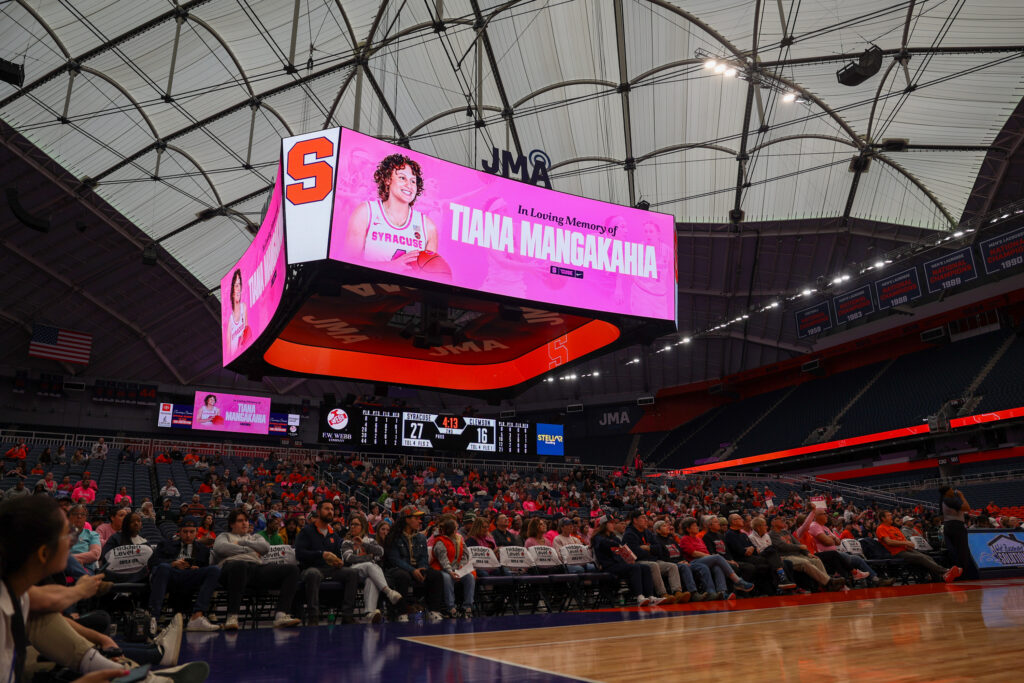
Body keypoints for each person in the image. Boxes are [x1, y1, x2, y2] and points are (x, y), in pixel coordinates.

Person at [211, 508, 301, 630]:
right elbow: (220, 548)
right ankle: (232, 616)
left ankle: (281, 615)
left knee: (292, 570)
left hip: (255, 568)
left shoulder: (255, 537)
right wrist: (250, 550)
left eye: (246, 520)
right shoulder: (224, 536)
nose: (244, 523)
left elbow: (265, 548)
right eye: (240, 521)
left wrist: (243, 543)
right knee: (240, 565)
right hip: (231, 569)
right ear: (232, 524)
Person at [345, 153, 439, 265]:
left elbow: (430, 272)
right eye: (402, 178)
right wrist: (390, 267)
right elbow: (349, 263)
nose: (409, 185)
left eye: (413, 181)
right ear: (388, 180)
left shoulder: (428, 226)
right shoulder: (365, 212)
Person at [148, 517, 221, 634]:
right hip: (171, 575)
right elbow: (152, 563)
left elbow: (204, 567)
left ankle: (197, 616)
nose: (188, 535)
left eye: (191, 532)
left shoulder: (203, 550)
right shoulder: (166, 544)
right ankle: (153, 617)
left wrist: (197, 568)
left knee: (214, 570)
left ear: (196, 532)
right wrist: (173, 563)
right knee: (163, 567)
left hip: (189, 576)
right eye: (185, 532)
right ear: (179, 532)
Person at [294, 500, 361, 625]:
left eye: (332, 509)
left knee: (352, 573)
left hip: (330, 569)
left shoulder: (333, 534)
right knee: (313, 574)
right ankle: (313, 618)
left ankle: (347, 615)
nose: (330, 511)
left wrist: (339, 562)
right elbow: (299, 554)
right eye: (326, 509)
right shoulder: (306, 531)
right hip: (311, 568)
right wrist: (321, 554)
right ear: (318, 512)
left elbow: (338, 555)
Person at [383, 506, 446, 622]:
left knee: (436, 575)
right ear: (407, 519)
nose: (420, 521)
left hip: (416, 569)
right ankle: (401, 612)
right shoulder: (393, 537)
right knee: (403, 576)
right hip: (397, 569)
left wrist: (423, 568)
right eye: (416, 518)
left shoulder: (421, 537)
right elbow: (395, 559)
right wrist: (412, 570)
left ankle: (433, 610)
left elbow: (423, 557)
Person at [340, 516, 403, 623]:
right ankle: (388, 592)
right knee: (370, 565)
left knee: (371, 579)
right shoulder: (347, 542)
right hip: (354, 570)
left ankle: (369, 613)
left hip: (370, 572)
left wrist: (363, 544)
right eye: (351, 524)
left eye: (356, 524)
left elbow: (381, 552)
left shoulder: (370, 540)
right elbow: (349, 558)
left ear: (363, 526)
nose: (352, 526)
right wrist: (369, 557)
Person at [876, 510, 961, 583]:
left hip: (906, 549)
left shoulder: (895, 528)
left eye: (891, 515)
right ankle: (945, 571)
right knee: (921, 558)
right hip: (896, 552)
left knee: (928, 557)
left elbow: (905, 541)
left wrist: (909, 544)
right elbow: (889, 542)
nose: (891, 516)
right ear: (883, 518)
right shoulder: (881, 528)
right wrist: (906, 543)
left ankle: (940, 578)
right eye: (888, 516)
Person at [677, 517, 752, 598]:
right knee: (716, 557)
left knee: (717, 567)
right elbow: (694, 553)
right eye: (694, 526)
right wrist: (710, 557)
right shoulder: (685, 539)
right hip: (693, 562)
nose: (697, 527)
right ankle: (737, 580)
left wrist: (711, 557)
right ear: (688, 529)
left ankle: (721, 592)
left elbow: (706, 552)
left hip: (704, 560)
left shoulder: (699, 539)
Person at [590, 516, 656, 606]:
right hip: (608, 566)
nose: (613, 525)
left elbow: (622, 551)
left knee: (645, 567)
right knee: (635, 568)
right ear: (604, 525)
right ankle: (639, 596)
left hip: (619, 565)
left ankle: (650, 596)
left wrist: (630, 559)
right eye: (611, 523)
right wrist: (617, 545)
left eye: (614, 523)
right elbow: (605, 543)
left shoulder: (614, 537)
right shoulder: (598, 537)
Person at [768, 514, 845, 592]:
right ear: (773, 523)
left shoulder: (785, 532)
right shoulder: (772, 534)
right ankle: (829, 582)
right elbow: (783, 546)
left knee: (816, 560)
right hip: (786, 556)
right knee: (805, 562)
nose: (782, 520)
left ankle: (823, 585)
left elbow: (797, 543)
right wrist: (799, 547)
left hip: (798, 555)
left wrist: (807, 553)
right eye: (778, 518)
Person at [622, 511, 686, 603]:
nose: (646, 520)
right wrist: (651, 550)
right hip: (638, 562)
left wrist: (647, 548)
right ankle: (663, 594)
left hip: (652, 559)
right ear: (635, 520)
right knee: (653, 565)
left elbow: (659, 548)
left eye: (646, 518)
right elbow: (636, 553)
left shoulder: (647, 532)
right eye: (643, 518)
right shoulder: (629, 534)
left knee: (672, 566)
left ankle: (677, 592)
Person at [429, 516, 476, 618]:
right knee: (447, 578)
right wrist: (451, 572)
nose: (457, 530)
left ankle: (467, 606)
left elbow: (465, 554)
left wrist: (461, 566)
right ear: (452, 530)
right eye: (456, 528)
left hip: (457, 568)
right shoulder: (440, 541)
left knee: (470, 577)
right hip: (441, 569)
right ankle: (450, 607)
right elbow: (443, 561)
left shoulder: (459, 539)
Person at [940, 486, 975, 580]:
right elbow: (967, 507)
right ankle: (962, 574)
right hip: (955, 526)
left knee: (956, 551)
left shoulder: (944, 500)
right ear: (947, 492)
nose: (953, 491)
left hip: (950, 525)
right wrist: (961, 496)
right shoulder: (948, 500)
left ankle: (958, 572)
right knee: (962, 551)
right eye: (951, 489)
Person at [227, 269, 248, 352]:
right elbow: (228, 352)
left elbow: (247, 331)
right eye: (236, 285)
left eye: (239, 285)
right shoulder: (230, 321)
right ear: (232, 292)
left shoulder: (243, 307)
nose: (238, 288)